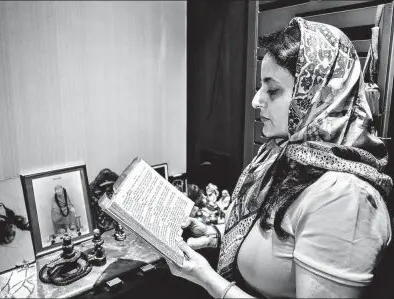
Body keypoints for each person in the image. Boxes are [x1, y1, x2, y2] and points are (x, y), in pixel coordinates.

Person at [167, 17, 392, 298]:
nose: (256, 100)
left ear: (318, 96)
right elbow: (271, 238)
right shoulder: (288, 153)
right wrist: (217, 235)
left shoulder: (346, 198)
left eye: (272, 90)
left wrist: (207, 279)